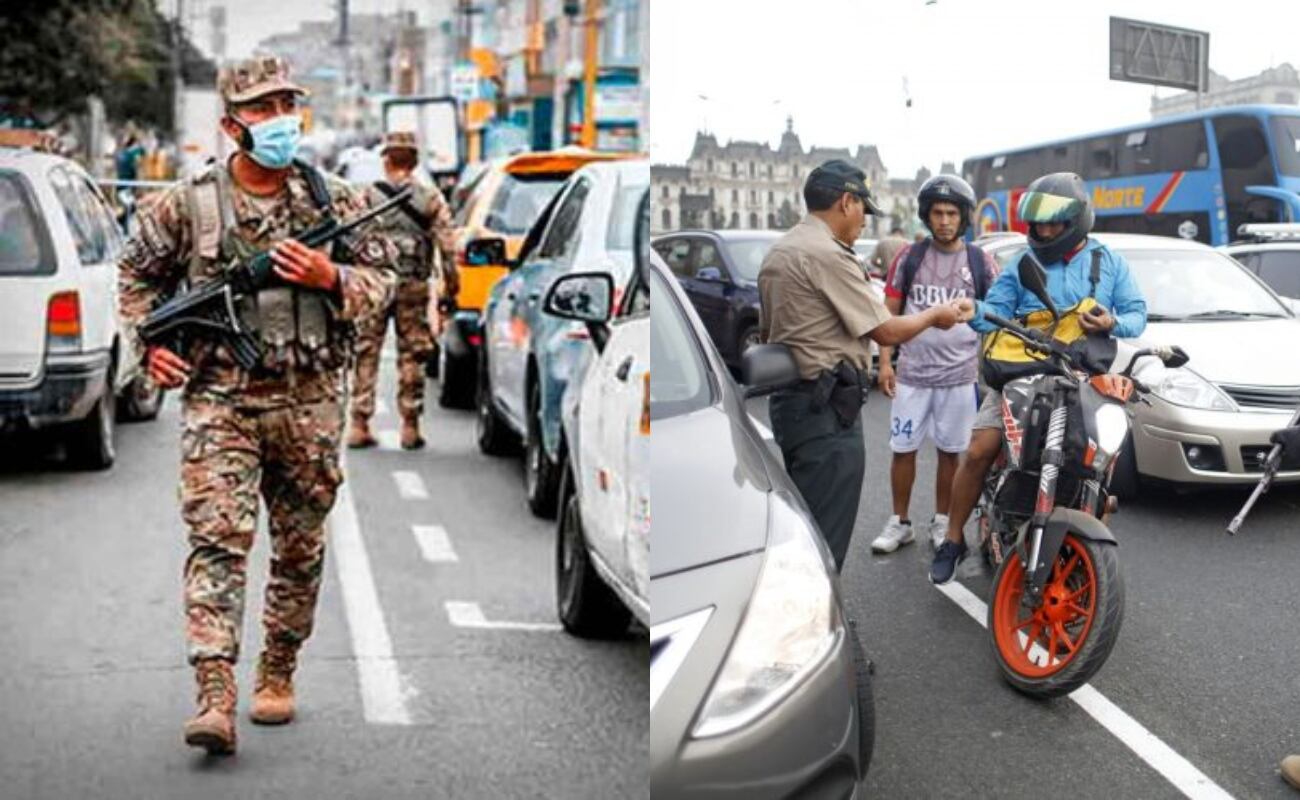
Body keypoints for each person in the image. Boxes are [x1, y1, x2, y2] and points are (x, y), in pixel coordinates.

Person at [116, 55, 398, 755]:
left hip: (310, 400)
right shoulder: (189, 203)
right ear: (231, 124)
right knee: (217, 541)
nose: (279, 120)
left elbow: (390, 277)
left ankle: (279, 666)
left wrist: (335, 276)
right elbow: (135, 277)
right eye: (263, 109)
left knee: (299, 547)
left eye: (286, 106)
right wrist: (148, 349)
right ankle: (215, 694)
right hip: (222, 402)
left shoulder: (334, 201)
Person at [929, 172, 1147, 585]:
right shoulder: (1022, 263)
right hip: (1023, 371)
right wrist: (969, 310)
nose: (1043, 231)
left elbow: (1137, 314)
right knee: (979, 449)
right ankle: (953, 540)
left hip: (1081, 377)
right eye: (1038, 224)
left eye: (1053, 224)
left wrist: (1111, 320)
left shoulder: (1110, 262)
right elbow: (992, 310)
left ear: (1076, 221)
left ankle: (1087, 550)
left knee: (1098, 464)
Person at [758, 159, 972, 572]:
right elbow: (886, 330)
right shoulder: (827, 255)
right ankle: (820, 623)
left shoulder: (781, 249)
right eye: (862, 211)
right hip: (825, 413)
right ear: (846, 201)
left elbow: (771, 333)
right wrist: (934, 315)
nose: (863, 222)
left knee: (802, 525)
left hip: (794, 405)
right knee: (823, 540)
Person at [871, 175, 996, 555]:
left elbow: (995, 316)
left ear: (963, 218)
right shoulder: (908, 258)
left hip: (959, 378)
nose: (944, 221)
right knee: (903, 448)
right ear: (927, 216)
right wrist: (885, 364)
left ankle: (943, 521)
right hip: (913, 375)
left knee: (950, 452)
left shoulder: (980, 262)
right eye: (938, 213)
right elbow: (888, 314)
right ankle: (900, 522)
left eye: (952, 213)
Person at [347, 130, 458, 450]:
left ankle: (359, 423)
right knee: (413, 353)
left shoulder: (366, 196)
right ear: (415, 161)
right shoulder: (430, 198)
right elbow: (448, 247)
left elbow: (349, 240)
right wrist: (451, 287)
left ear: (386, 160)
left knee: (365, 350)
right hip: (413, 285)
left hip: (373, 286)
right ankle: (410, 425)